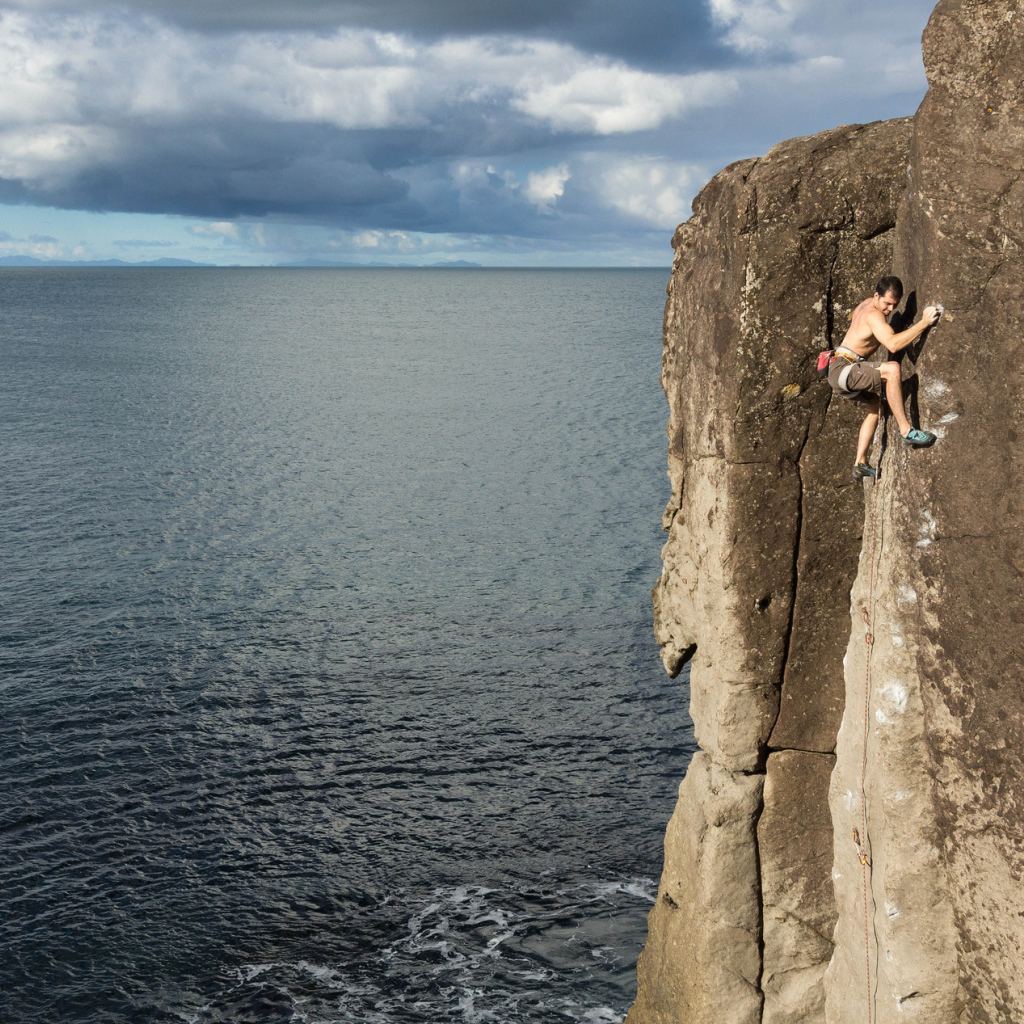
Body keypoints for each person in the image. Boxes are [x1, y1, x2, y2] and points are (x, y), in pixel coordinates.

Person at [827, 275, 940, 479]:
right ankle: (907, 431)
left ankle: (860, 462)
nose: (890, 309)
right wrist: (924, 323)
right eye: (887, 303)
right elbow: (893, 345)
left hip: (838, 372)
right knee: (892, 369)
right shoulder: (873, 314)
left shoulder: (865, 304)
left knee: (875, 408)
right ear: (876, 295)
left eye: (894, 305)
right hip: (844, 369)